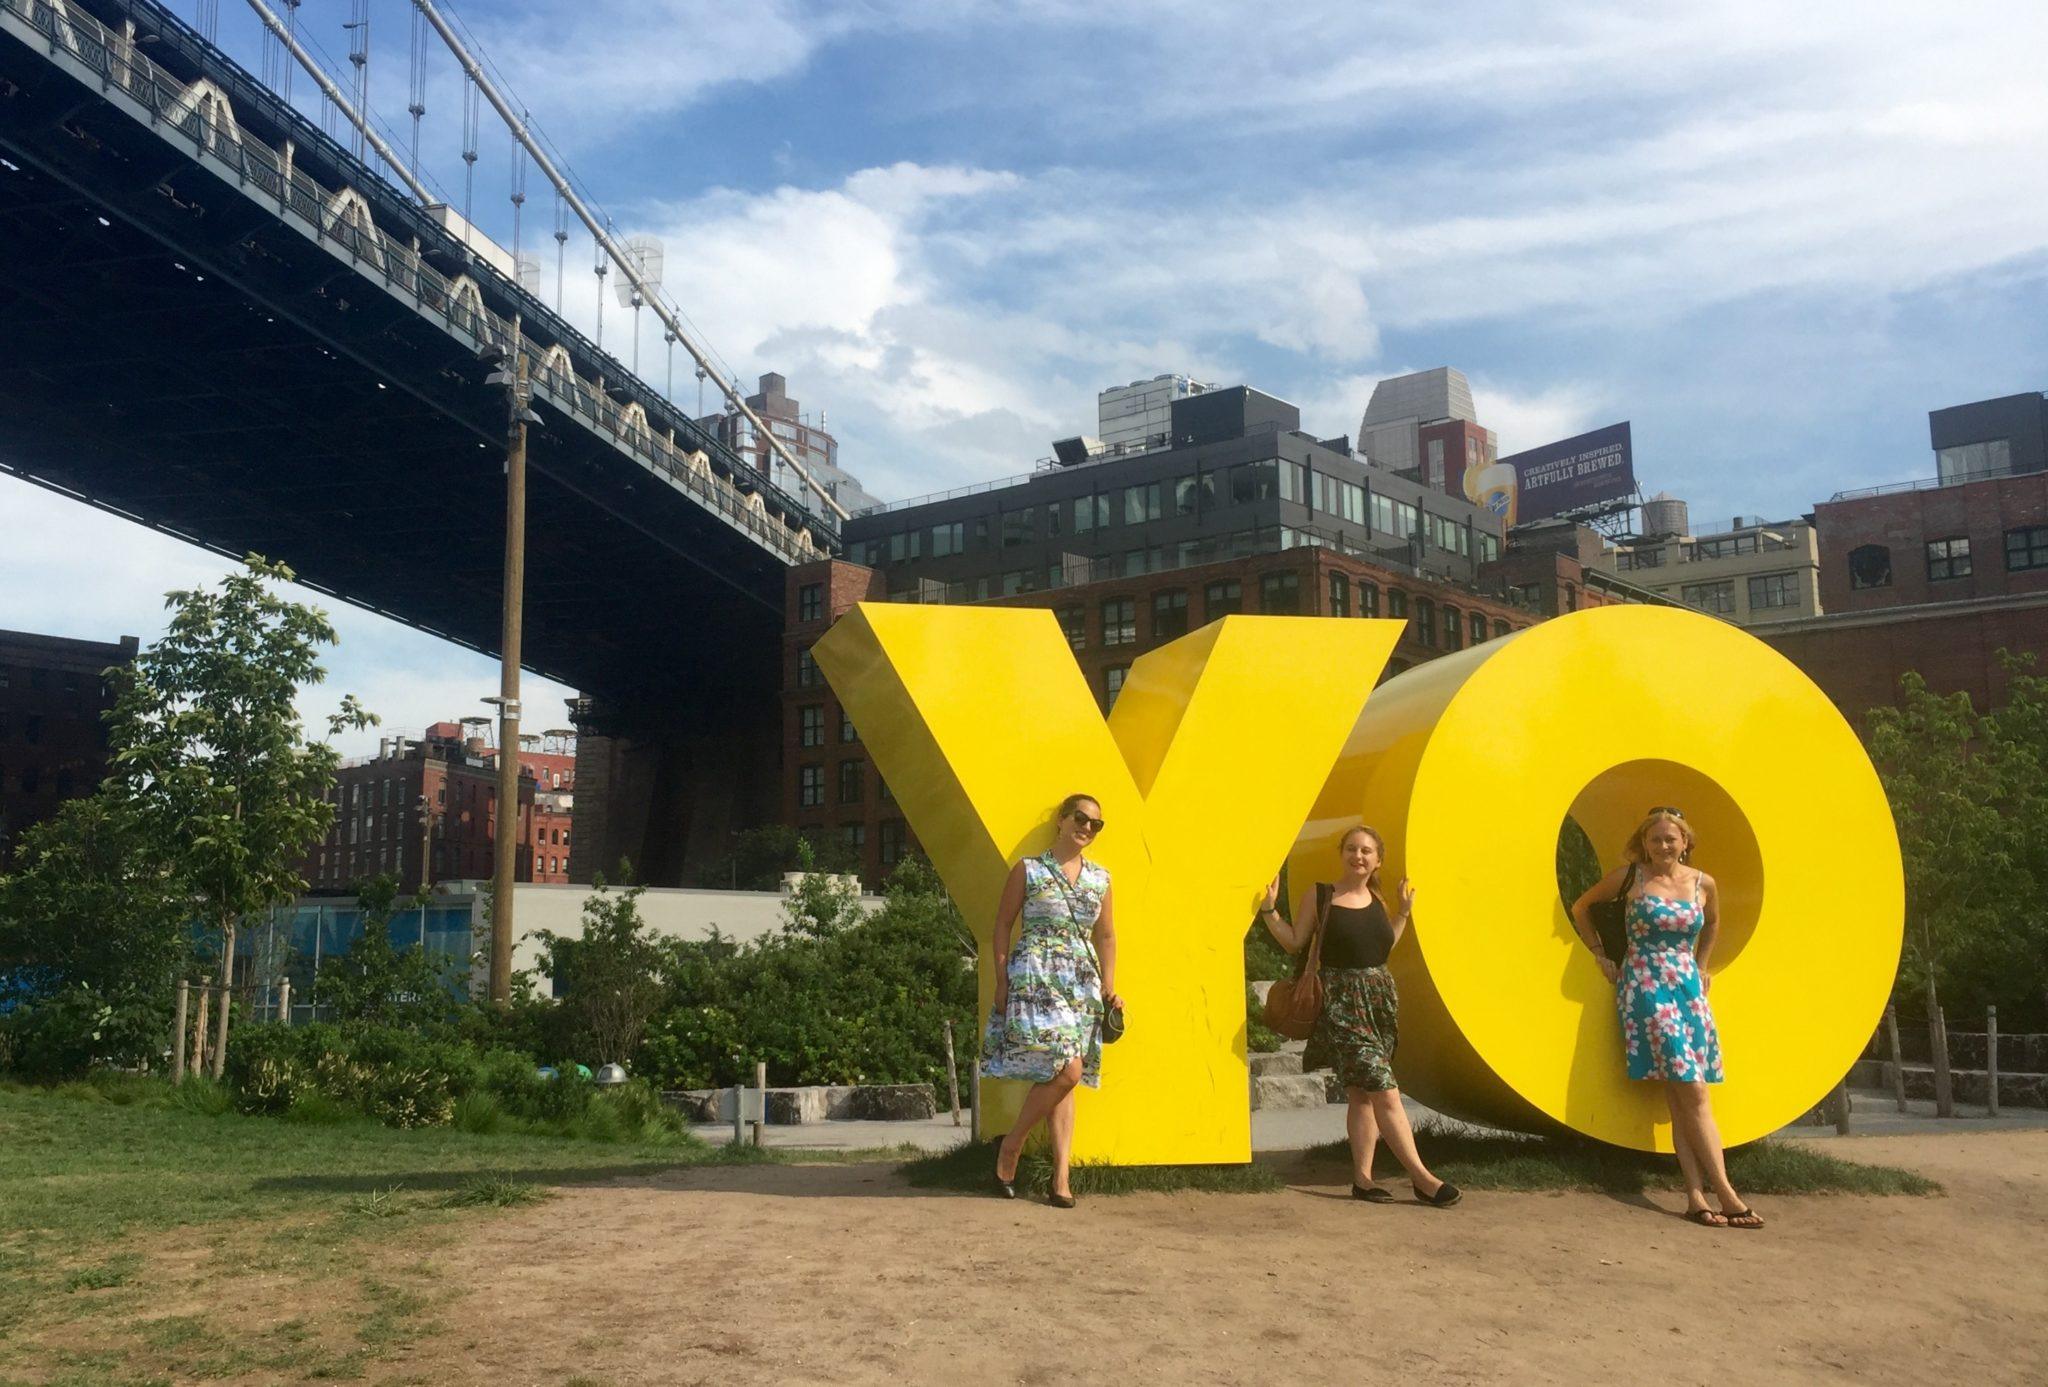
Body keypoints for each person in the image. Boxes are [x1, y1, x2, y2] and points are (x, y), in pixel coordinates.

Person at [1570, 807, 1762, 1229]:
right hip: (1645, 985)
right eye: (1654, 839)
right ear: (1644, 843)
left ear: (1685, 842)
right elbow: (1582, 906)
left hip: (1688, 988)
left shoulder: (1702, 882)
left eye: (1670, 839)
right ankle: (1727, 1193)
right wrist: (1600, 954)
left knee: (1680, 1097)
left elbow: (1712, 924)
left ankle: (1696, 1196)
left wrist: (1703, 964)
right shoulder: (1630, 877)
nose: (1662, 846)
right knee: (1693, 1089)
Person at [1261, 825, 1461, 1207]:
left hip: (1379, 1003)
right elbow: (1294, 942)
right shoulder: (1321, 896)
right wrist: (1270, 909)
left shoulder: (1377, 899)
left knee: (1361, 1095)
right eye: (1352, 849)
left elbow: (1382, 945)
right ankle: (1423, 1178)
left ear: (1377, 860)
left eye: (1367, 851)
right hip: (1341, 1005)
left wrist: (1402, 914)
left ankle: (1363, 1180)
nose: (1358, 856)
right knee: (1385, 1088)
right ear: (1342, 854)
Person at [985, 793, 1120, 1208]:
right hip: (1036, 976)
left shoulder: (1100, 878)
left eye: (1096, 824)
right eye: (1081, 818)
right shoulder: (1029, 869)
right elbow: (1003, 924)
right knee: (1070, 1068)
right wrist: (1002, 979)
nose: (1087, 828)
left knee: (1067, 1075)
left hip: (1081, 983)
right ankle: (1013, 1143)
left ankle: (1060, 1178)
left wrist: (1109, 987)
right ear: (1061, 820)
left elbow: (1107, 936)